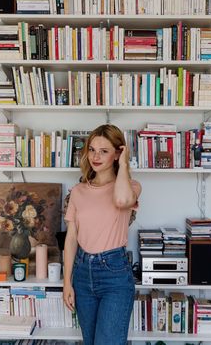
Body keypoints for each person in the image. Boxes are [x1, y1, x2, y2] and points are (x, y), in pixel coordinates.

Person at [63, 124, 141, 345]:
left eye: (104, 151)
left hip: (114, 274)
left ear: (117, 153)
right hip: (82, 273)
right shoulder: (78, 191)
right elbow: (71, 239)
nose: (95, 157)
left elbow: (122, 201)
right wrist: (66, 283)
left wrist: (124, 163)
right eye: (92, 150)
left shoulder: (131, 186)